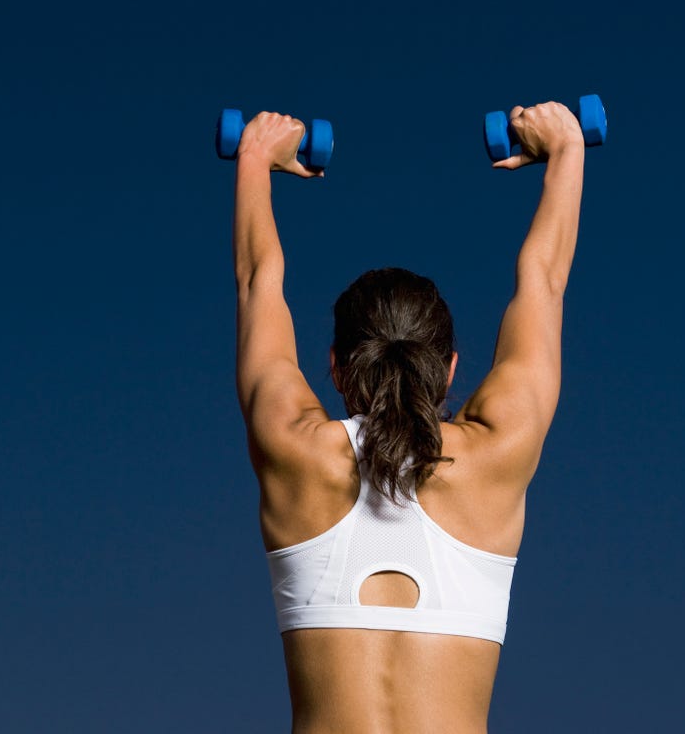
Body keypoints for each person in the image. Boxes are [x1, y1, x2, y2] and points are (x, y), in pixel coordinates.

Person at [231, 104, 585, 733]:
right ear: (449, 368)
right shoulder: (495, 455)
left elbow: (259, 282)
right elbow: (544, 283)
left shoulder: (295, 449)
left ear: (337, 368)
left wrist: (257, 154)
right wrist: (564, 146)